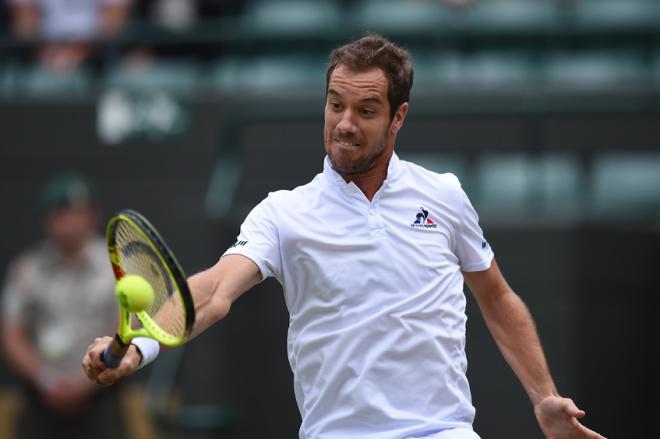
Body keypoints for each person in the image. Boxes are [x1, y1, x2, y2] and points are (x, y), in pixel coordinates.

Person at [82, 35, 605, 439]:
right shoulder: (284, 213)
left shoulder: (443, 196)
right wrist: (142, 345)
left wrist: (543, 397)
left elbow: (497, 296)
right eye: (335, 105)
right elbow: (216, 291)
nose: (345, 124)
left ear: (399, 117)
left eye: (366, 110)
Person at [1, 173, 124, 438]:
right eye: (58, 213)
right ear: (46, 219)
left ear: (92, 215)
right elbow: (12, 334)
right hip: (41, 400)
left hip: (101, 398)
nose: (66, 221)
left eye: (74, 212)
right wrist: (45, 380)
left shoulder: (116, 266)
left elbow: (126, 327)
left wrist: (88, 382)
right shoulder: (27, 270)